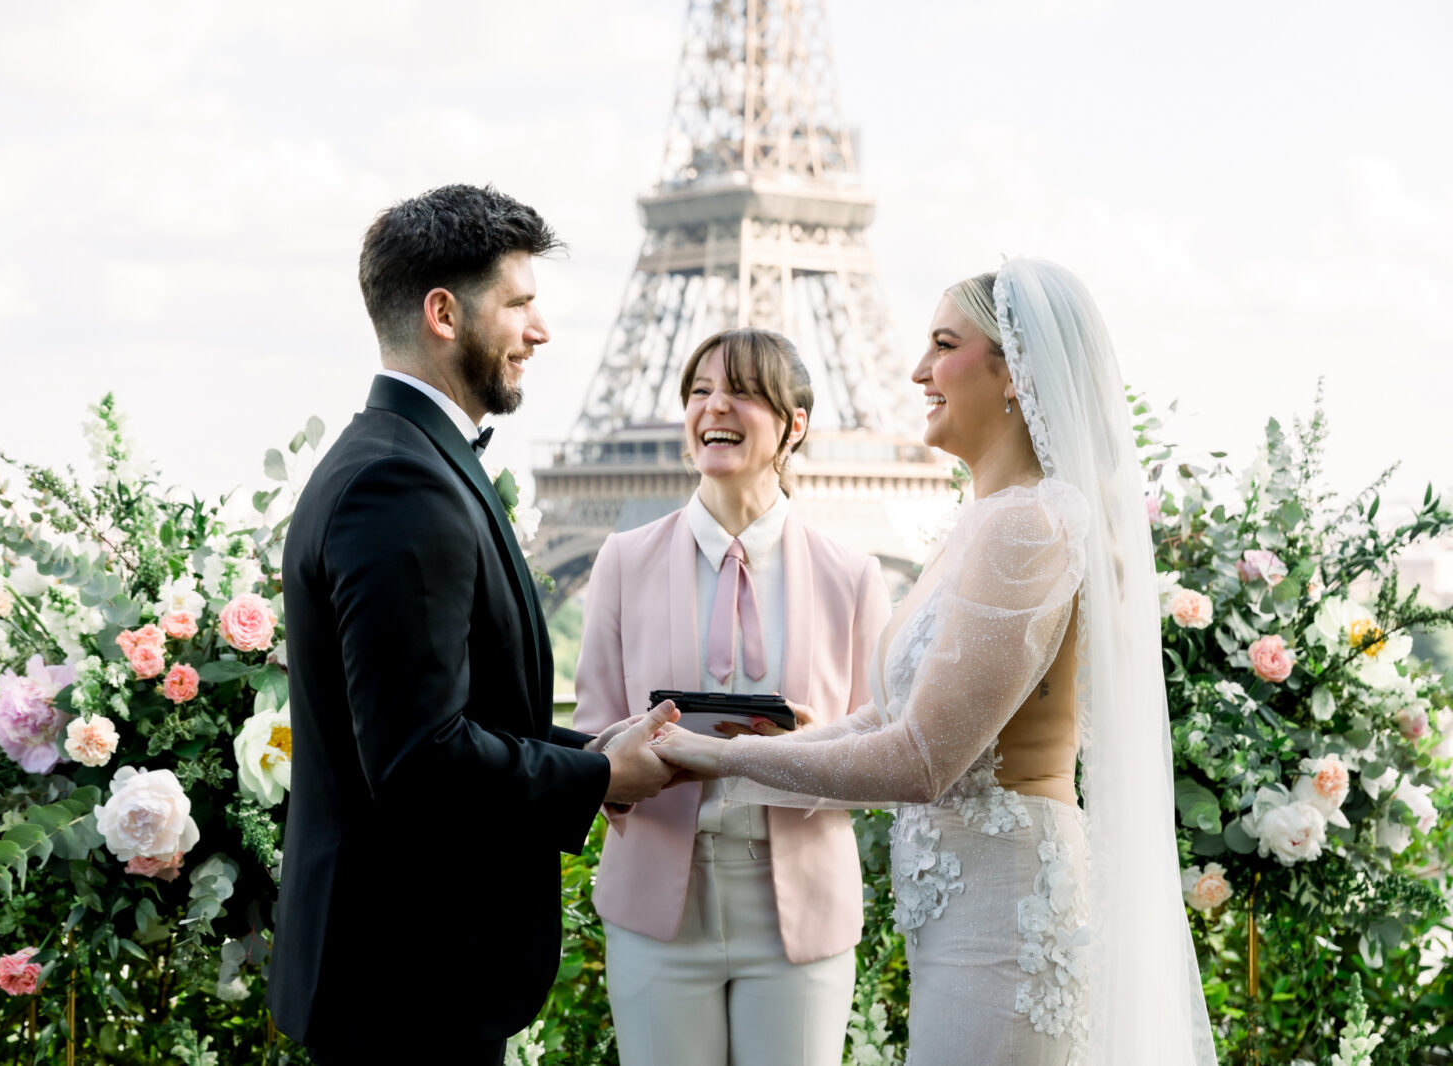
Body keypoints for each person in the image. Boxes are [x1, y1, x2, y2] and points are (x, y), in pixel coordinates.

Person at [650, 260, 1218, 1065]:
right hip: (967, 916)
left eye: (944, 345)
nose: (917, 370)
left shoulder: (1026, 525)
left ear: (1015, 373)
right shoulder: (983, 522)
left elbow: (923, 758)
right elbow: (887, 718)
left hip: (1005, 920)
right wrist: (712, 761)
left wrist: (716, 755)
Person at [269, 184, 678, 1066]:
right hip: (409, 984)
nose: (540, 331)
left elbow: (440, 716)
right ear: (445, 313)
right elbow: (420, 760)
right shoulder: (401, 485)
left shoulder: (394, 456)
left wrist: (589, 752)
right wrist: (599, 774)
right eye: (520, 304)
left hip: (394, 975)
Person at [573, 328, 889, 1066]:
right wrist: (630, 759)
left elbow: (883, 755)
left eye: (740, 391)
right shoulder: (622, 561)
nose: (714, 406)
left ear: (794, 423)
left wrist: (815, 748)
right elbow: (589, 733)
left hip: (798, 912)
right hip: (658, 903)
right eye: (698, 391)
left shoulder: (853, 575)